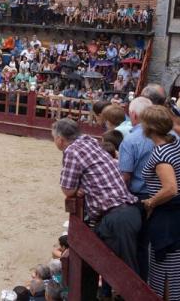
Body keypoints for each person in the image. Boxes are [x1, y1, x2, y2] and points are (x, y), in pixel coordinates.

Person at [52, 118, 141, 300]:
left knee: (128, 279)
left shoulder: (72, 151)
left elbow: (67, 189)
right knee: (129, 271)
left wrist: (77, 189)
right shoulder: (90, 141)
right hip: (128, 211)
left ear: (60, 139)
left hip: (115, 218)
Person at [140, 106, 180, 300]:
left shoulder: (162, 153)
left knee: (165, 267)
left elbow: (171, 189)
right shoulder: (174, 143)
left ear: (150, 128)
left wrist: (150, 202)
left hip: (167, 218)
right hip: (172, 214)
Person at [119, 96, 154, 281]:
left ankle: (136, 284)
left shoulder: (131, 140)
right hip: (163, 196)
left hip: (139, 196)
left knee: (136, 244)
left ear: (133, 115)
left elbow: (125, 176)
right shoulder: (172, 136)